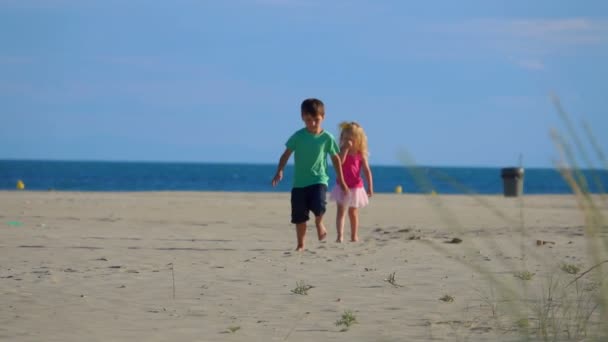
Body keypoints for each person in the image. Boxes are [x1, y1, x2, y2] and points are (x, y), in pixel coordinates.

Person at [272, 98, 348, 251]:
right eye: (308, 120)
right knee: (299, 217)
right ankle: (301, 244)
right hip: (299, 183)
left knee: (319, 205)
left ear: (323, 118)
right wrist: (280, 170)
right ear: (302, 117)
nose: (312, 123)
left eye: (316, 120)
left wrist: (341, 179)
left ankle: (319, 222)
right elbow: (286, 154)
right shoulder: (298, 136)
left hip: (319, 179)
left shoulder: (327, 138)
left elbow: (335, 159)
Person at [330, 121, 373, 242]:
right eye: (345, 138)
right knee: (341, 211)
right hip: (342, 185)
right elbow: (340, 163)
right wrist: (345, 149)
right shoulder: (341, 151)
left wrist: (370, 186)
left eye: (351, 138)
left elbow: (366, 170)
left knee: (353, 212)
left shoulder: (360, 154)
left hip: (355, 186)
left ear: (358, 140)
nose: (348, 141)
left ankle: (354, 235)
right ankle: (340, 236)